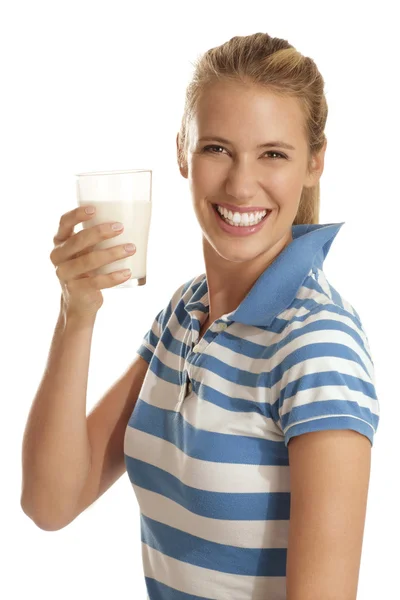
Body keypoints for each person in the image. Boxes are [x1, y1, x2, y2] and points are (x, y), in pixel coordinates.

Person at [20, 32, 380, 600]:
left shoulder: (317, 346)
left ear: (314, 163)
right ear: (182, 151)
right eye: (217, 148)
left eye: (273, 154)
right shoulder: (186, 314)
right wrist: (77, 312)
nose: (240, 183)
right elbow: (50, 501)